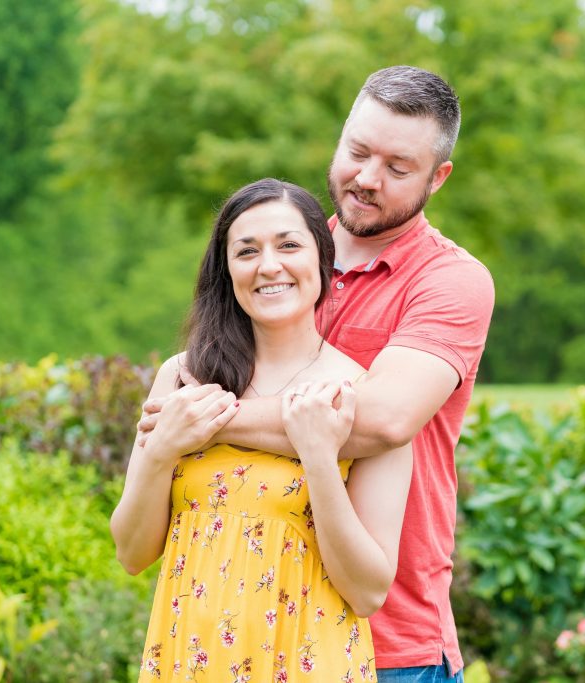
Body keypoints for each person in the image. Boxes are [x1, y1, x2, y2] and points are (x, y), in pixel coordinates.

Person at [140, 66, 495, 682]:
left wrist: (200, 419)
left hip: (391, 642)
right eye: (357, 151)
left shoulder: (450, 282)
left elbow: (382, 422)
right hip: (241, 635)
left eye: (397, 167)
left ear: (438, 178)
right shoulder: (278, 259)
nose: (366, 177)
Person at [112, 178, 413, 681]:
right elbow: (132, 552)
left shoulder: (359, 397)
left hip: (306, 662)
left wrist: (318, 458)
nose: (268, 265)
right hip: (189, 662)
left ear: (321, 258)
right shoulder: (183, 379)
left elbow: (368, 592)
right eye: (246, 251)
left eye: (288, 245)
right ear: (226, 270)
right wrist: (161, 452)